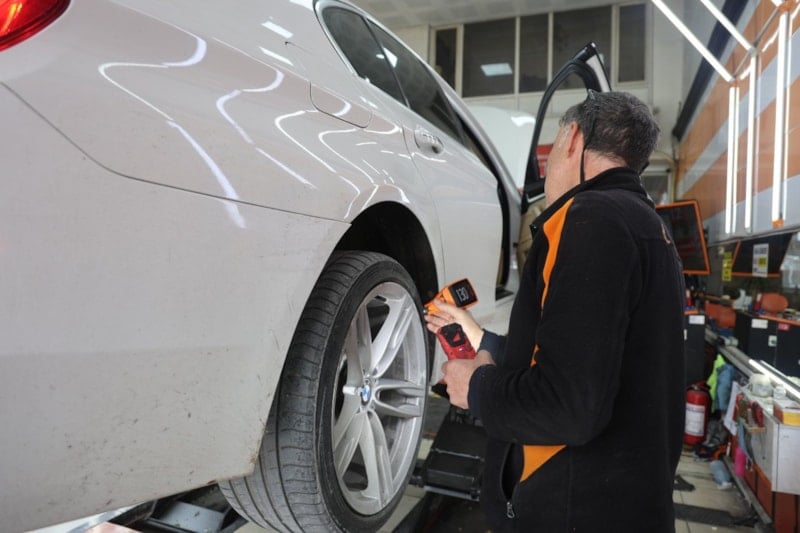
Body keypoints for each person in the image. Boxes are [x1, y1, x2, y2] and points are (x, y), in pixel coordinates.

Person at [426, 91, 686, 532]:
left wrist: (477, 387)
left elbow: (567, 406)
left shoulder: (590, 217)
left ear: (573, 137)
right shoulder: (650, 230)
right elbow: (594, 359)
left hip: (573, 514)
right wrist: (487, 344)